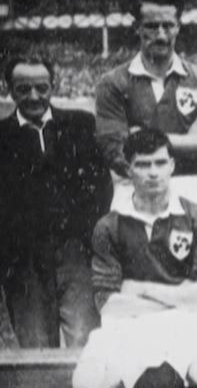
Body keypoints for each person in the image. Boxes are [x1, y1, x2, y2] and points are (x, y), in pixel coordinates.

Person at [73, 128, 197, 388]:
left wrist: (141, 289)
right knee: (88, 379)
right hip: (131, 323)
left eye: (160, 163)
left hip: (190, 322)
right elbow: (108, 303)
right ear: (128, 169)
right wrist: (178, 296)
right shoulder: (109, 226)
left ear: (172, 166)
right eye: (143, 165)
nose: (153, 172)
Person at [0, 54, 111, 348]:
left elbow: (101, 189)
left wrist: (85, 241)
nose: (34, 96)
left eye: (41, 87)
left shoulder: (81, 125)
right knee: (36, 350)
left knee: (86, 344)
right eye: (24, 89)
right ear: (8, 88)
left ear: (53, 85)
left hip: (76, 256)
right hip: (23, 264)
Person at [95, 0, 197, 216]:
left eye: (168, 25)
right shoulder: (112, 83)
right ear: (137, 28)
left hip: (191, 183)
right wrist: (189, 141)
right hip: (134, 187)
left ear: (178, 26)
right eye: (151, 26)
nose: (161, 34)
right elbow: (116, 152)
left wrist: (142, 137)